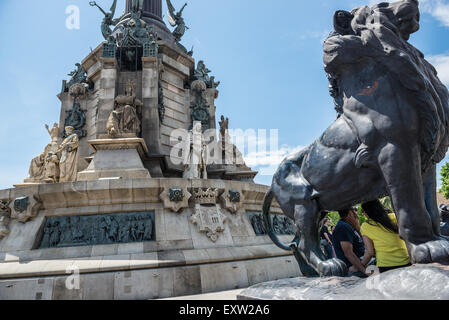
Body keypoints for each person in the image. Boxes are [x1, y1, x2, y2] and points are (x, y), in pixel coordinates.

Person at [361, 200, 411, 273]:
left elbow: (370, 252)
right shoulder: (395, 217)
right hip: (406, 262)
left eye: (363, 211)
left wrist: (360, 265)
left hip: (385, 266)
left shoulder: (366, 226)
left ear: (367, 212)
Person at [331, 207, 369, 277]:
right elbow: (348, 253)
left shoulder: (348, 225)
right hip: (354, 268)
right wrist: (365, 271)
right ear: (350, 213)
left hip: (361, 264)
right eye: (355, 213)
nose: (356, 215)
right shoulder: (343, 227)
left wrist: (356, 225)